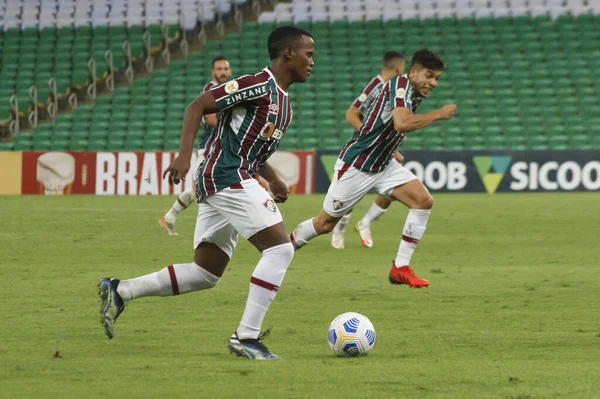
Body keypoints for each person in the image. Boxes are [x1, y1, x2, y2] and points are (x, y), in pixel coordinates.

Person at [98, 26, 315, 360]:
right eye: (308, 54)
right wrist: (184, 155)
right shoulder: (257, 83)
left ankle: (121, 290)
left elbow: (253, 149)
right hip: (227, 176)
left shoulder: (283, 102)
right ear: (288, 53)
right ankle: (247, 337)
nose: (312, 61)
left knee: (205, 273)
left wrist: (271, 179)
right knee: (280, 251)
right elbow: (197, 106)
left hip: (228, 178)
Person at [290, 49, 456, 289]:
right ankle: (285, 246)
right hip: (358, 164)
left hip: (383, 163)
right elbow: (401, 123)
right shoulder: (399, 84)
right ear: (412, 72)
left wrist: (392, 146)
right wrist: (438, 114)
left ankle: (400, 268)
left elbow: (388, 122)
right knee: (324, 224)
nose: (433, 83)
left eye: (437, 78)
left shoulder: (414, 93)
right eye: (429, 76)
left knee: (423, 201)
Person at [331, 51, 406, 249]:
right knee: (349, 195)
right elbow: (351, 115)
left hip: (382, 148)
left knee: (396, 188)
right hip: (363, 149)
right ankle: (339, 230)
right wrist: (371, 137)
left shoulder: (395, 88)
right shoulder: (376, 86)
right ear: (399, 69)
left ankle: (365, 223)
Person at [159, 56, 233, 235]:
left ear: (229, 71)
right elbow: (211, 119)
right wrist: (235, 126)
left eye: (225, 69)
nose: (222, 72)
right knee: (199, 187)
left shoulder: (229, 90)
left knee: (207, 186)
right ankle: (171, 217)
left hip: (223, 146)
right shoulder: (211, 89)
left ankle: (170, 217)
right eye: (219, 69)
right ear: (212, 72)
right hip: (210, 146)